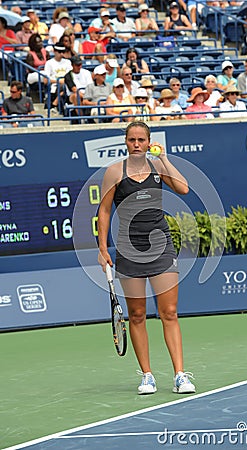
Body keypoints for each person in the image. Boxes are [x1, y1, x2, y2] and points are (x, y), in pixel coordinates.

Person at [97, 121, 196, 395]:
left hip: (161, 247)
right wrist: (102, 248)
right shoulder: (114, 172)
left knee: (169, 312)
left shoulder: (158, 167)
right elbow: (104, 211)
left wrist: (163, 158)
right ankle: (148, 376)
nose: (137, 144)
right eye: (132, 139)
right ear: (126, 142)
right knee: (137, 315)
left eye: (141, 139)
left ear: (149, 141)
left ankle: (179, 375)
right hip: (129, 250)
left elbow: (184, 188)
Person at [43, 43, 72, 112]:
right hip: (55, 86)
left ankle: (54, 104)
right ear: (54, 51)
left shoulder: (68, 62)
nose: (61, 54)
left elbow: (71, 75)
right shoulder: (49, 63)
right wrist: (59, 81)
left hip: (67, 84)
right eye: (59, 52)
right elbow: (45, 80)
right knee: (63, 87)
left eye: (63, 52)